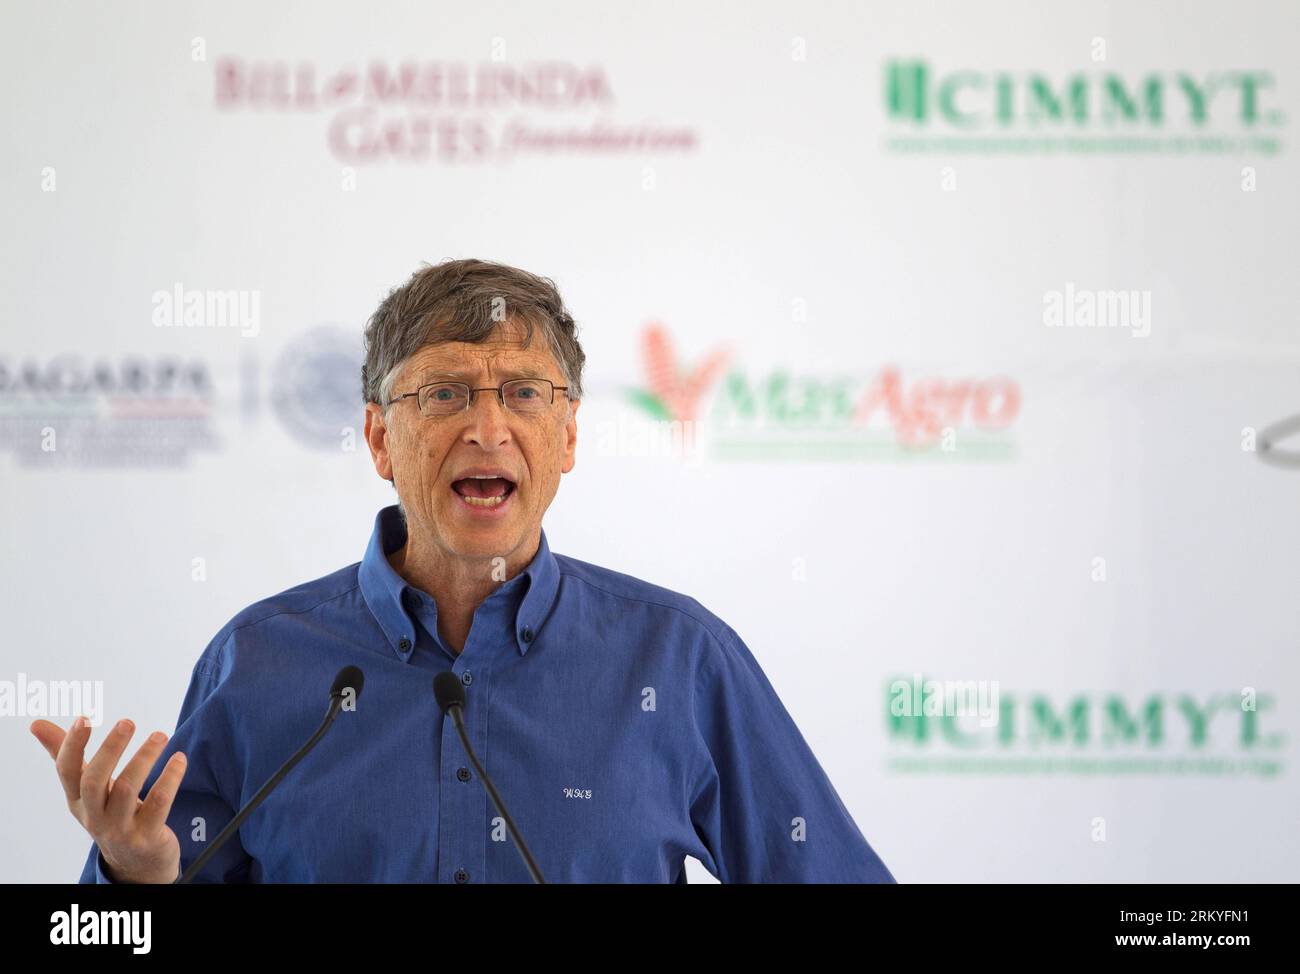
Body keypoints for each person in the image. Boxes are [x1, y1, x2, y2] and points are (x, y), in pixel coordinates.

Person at [31, 258, 895, 883]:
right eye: (443, 394)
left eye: (524, 393)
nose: (488, 428)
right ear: (378, 439)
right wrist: (131, 877)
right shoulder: (257, 663)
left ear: (567, 437)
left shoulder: (680, 659)